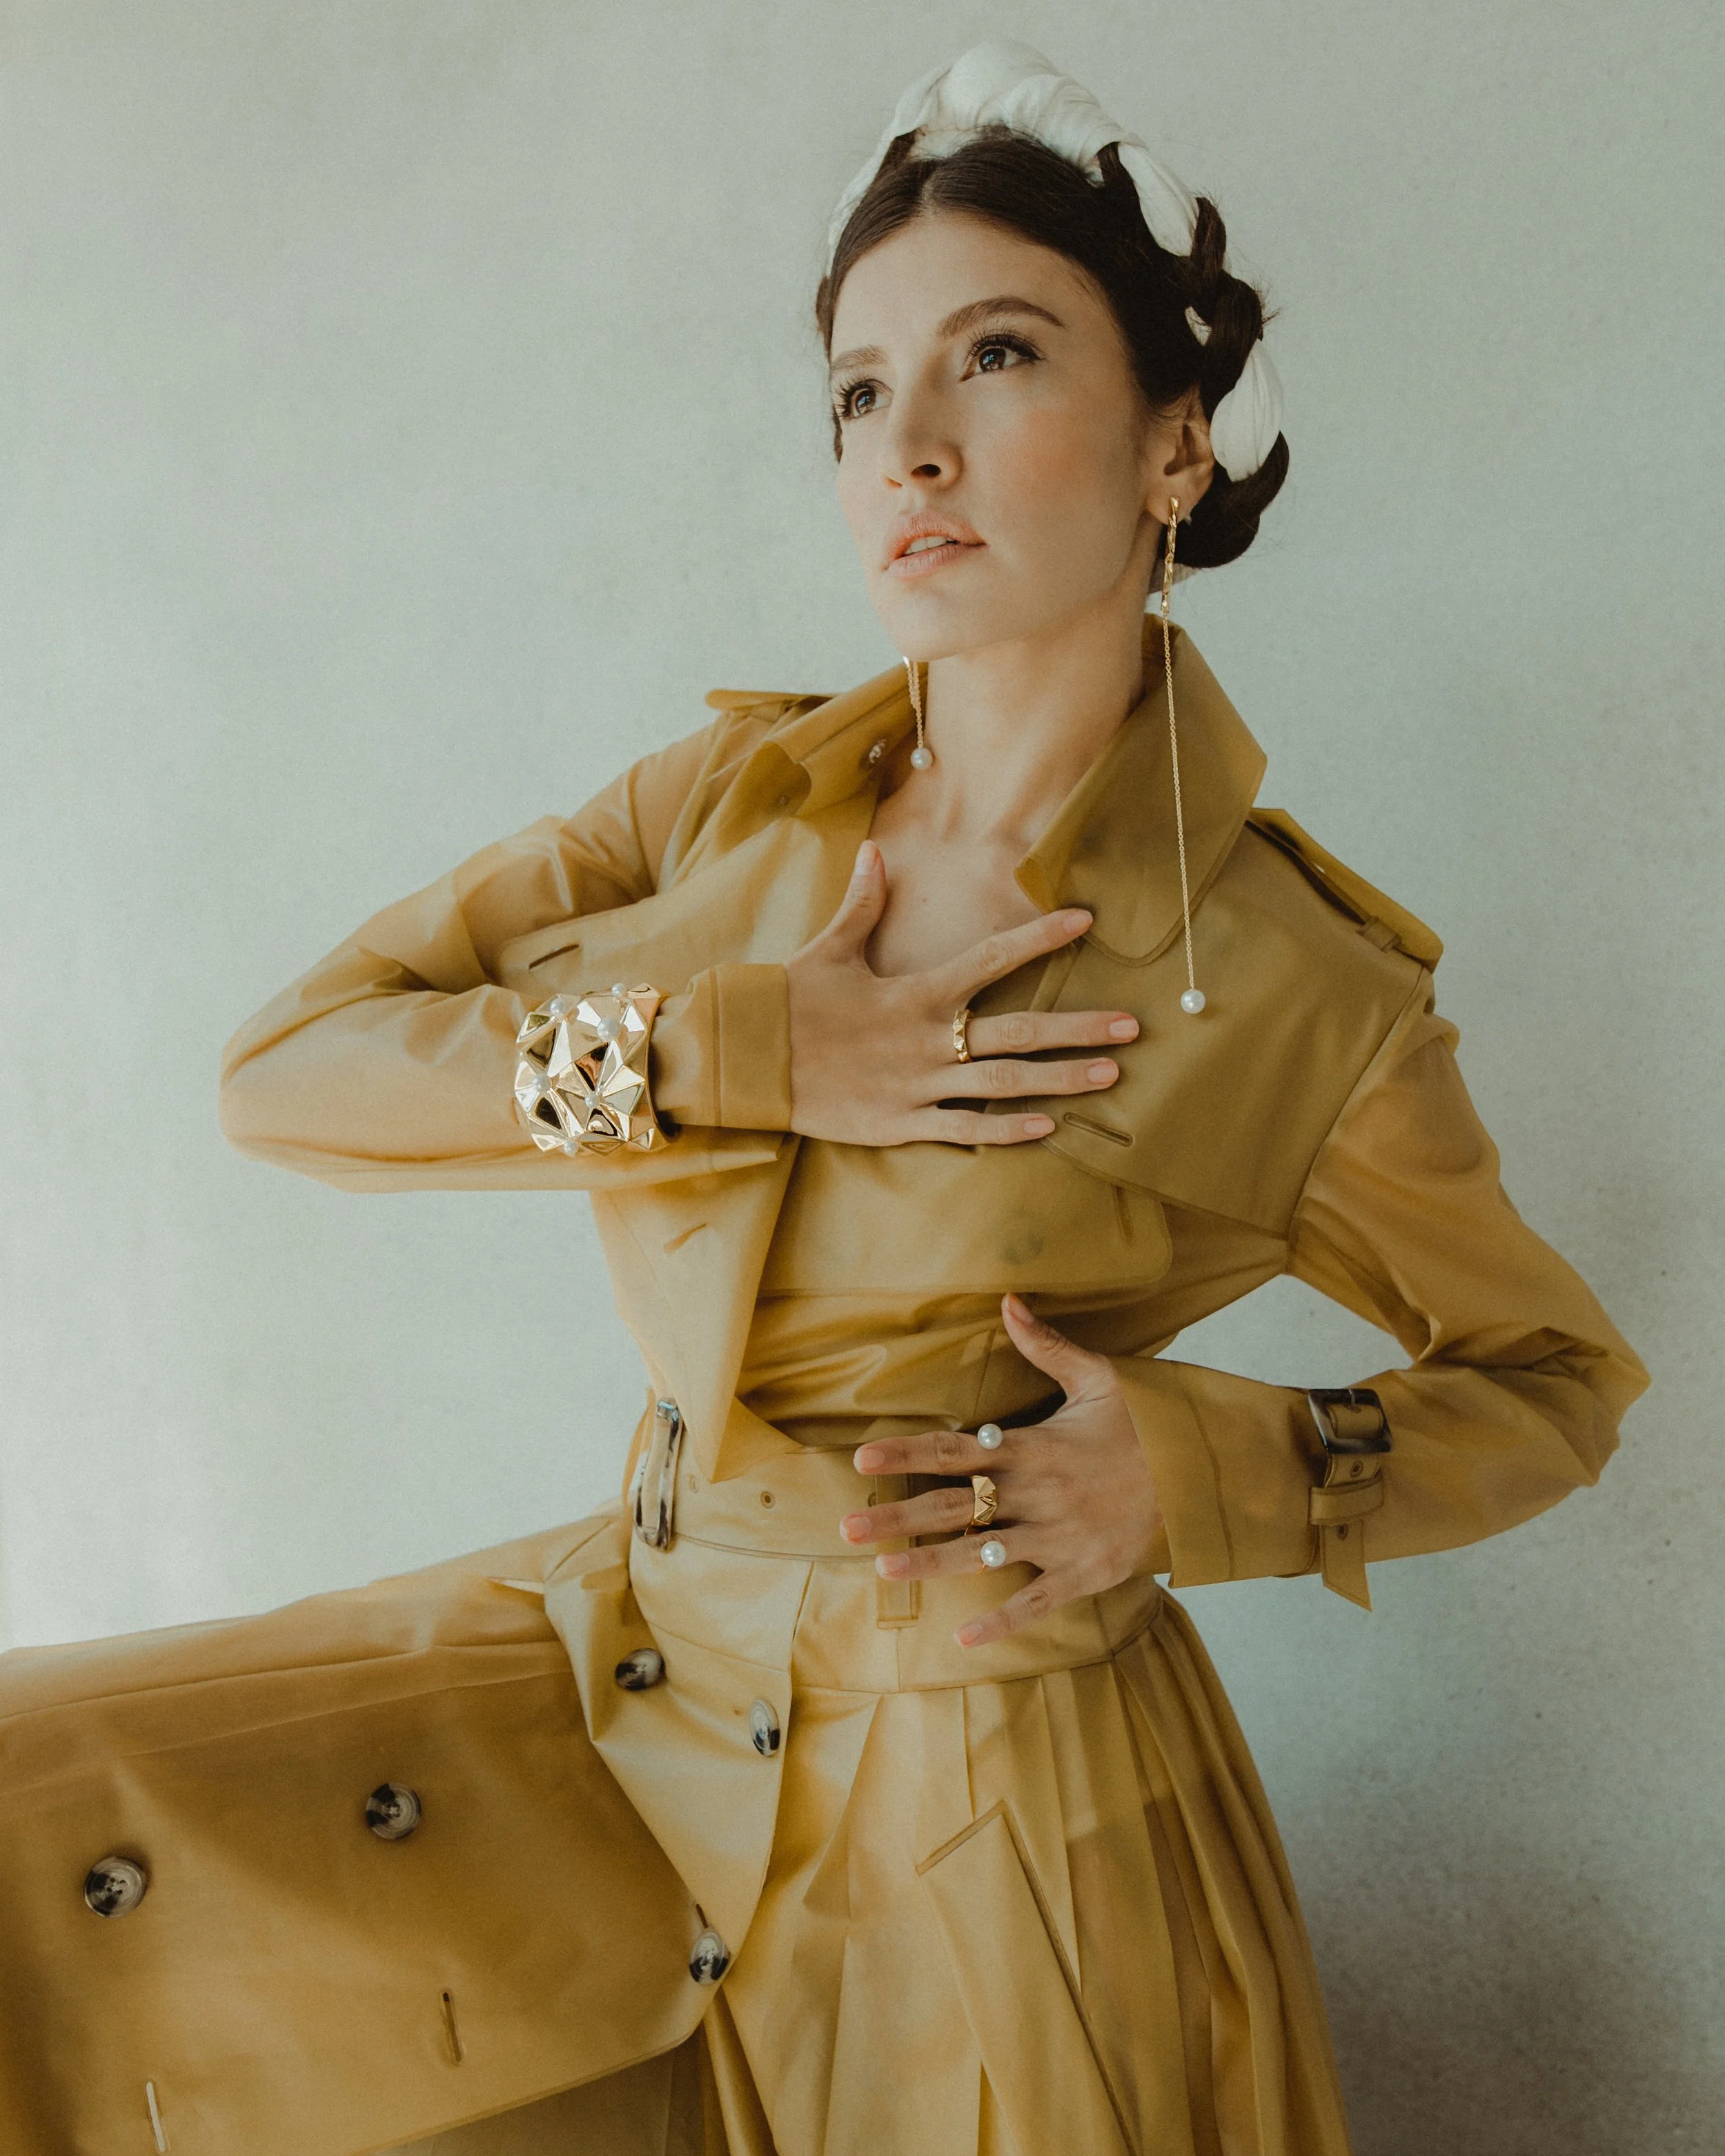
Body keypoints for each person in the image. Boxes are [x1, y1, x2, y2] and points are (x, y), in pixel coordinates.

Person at [0, 39, 1647, 2156]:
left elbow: (1550, 1381)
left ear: (1173, 443)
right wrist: (735, 1046)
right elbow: (285, 1073)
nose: (908, 448)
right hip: (618, 1656)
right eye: (860, 392)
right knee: (47, 1805)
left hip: (975, 1792)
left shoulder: (1294, 986)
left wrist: (1190, 1466)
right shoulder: (725, 806)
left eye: (994, 356)